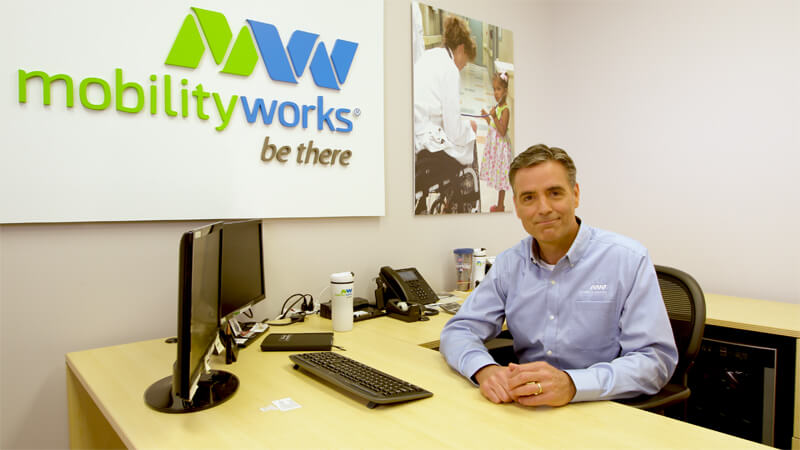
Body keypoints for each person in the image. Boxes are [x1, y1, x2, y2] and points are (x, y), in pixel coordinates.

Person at [439, 144, 678, 406]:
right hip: (528, 407)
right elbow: (459, 330)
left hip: (604, 407)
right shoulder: (509, 264)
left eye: (554, 193)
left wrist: (574, 384)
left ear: (575, 195)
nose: (543, 208)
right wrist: (484, 370)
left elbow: (655, 361)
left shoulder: (628, 260)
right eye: (528, 197)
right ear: (516, 207)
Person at [413, 15, 478, 213]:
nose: (462, 67)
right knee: (470, 142)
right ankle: (463, 202)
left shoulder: (430, 56)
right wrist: (470, 129)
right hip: (427, 140)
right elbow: (453, 131)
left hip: (416, 130)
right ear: (460, 50)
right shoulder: (450, 70)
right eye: (464, 62)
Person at [479, 72, 512, 212]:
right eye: (494, 89)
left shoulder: (505, 110)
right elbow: (494, 127)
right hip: (495, 148)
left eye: (498, 89)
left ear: (505, 91)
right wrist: (487, 119)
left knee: (502, 179)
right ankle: (499, 204)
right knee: (498, 177)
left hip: (501, 149)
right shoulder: (497, 107)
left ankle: (501, 205)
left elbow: (502, 131)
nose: (495, 93)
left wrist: (494, 117)